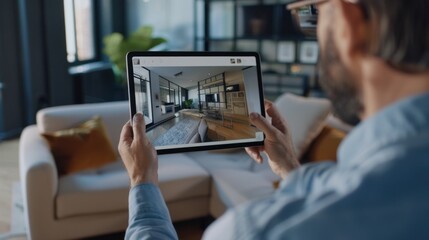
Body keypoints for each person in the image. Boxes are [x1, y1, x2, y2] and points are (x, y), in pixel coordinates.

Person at [118, 0, 429, 239]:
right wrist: (289, 166)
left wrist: (142, 181)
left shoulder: (259, 231)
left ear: (348, 24)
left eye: (310, 14)